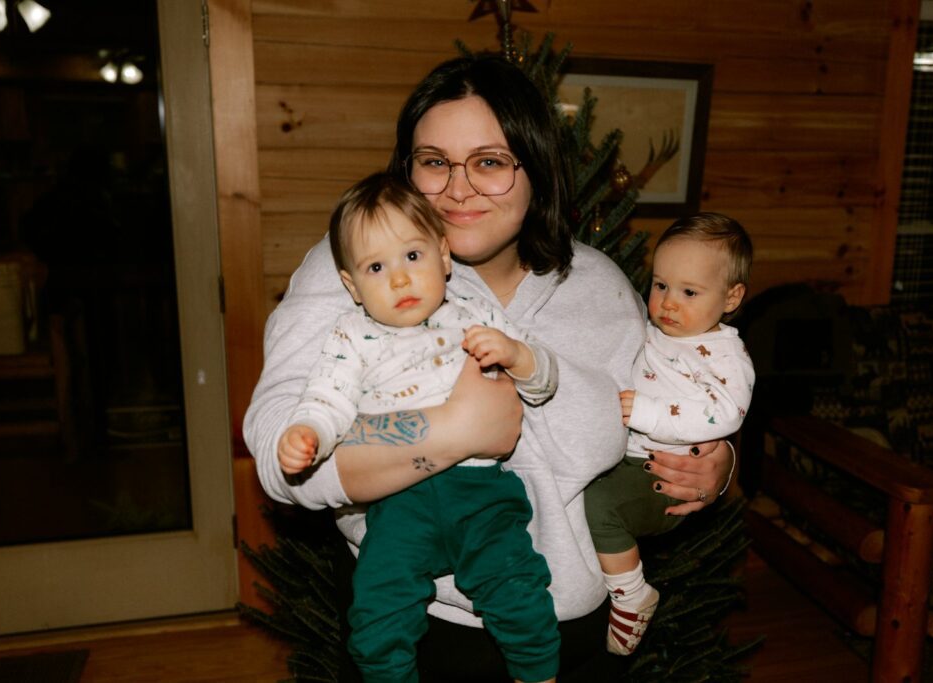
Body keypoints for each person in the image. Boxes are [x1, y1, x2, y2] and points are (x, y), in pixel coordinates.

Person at [243, 53, 736, 682]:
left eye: (490, 162)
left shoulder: (601, 286)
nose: (457, 187)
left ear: (536, 168)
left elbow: (675, 392)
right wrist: (449, 432)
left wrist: (716, 464)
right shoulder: (360, 269)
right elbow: (279, 456)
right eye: (433, 162)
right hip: (421, 626)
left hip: (573, 631)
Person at [278, 172, 560, 683]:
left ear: (444, 256)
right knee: (378, 606)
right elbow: (329, 396)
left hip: (479, 492)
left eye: (413, 256)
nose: (400, 279)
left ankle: (536, 673)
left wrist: (517, 356)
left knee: (515, 583)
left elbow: (543, 380)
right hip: (399, 501)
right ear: (352, 286)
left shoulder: (475, 314)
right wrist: (310, 432)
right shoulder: (353, 335)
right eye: (376, 267)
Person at [584, 212, 755, 656]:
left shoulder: (725, 357)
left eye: (689, 292)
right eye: (660, 285)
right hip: (627, 457)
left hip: (659, 473)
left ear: (732, 297)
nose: (668, 303)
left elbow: (726, 415)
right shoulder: (652, 330)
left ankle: (630, 594)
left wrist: (648, 413)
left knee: (599, 506)